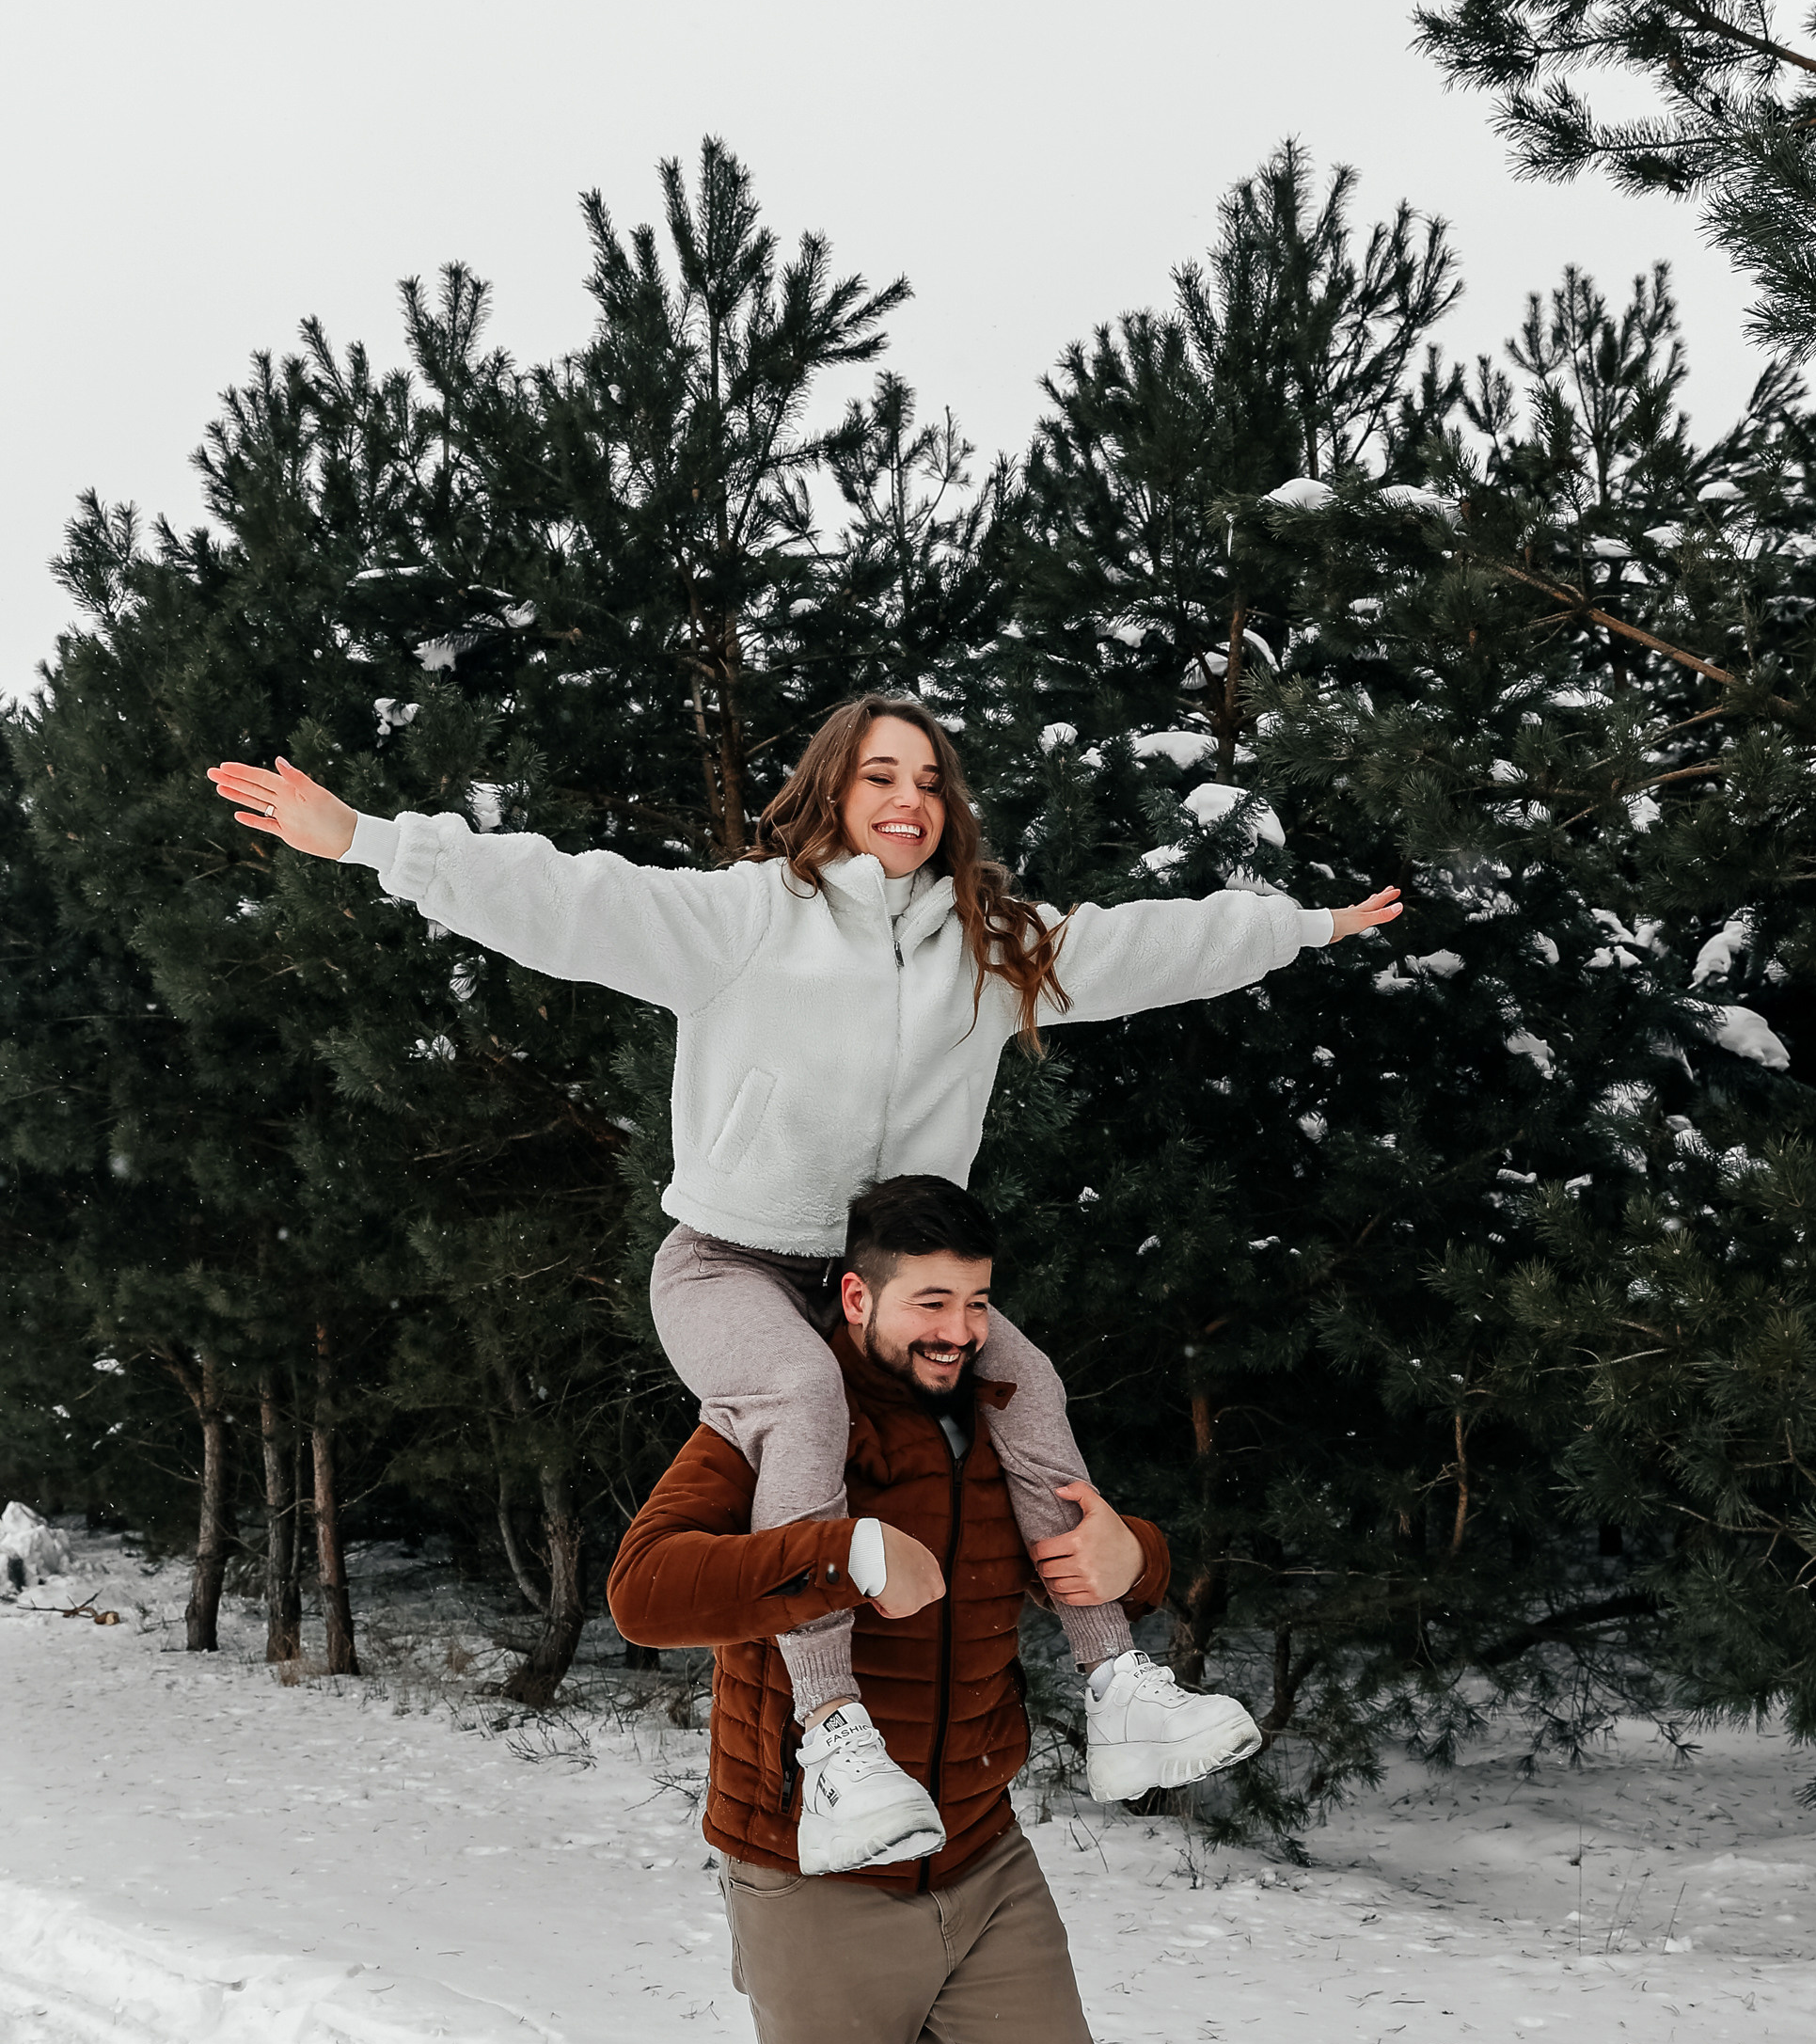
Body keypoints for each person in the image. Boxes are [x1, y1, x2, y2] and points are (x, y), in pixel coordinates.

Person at [207, 694, 1400, 1869]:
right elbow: (568, 898)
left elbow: (1141, 945)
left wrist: (1303, 927)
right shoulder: (745, 919)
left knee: (1020, 1378)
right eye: (881, 775)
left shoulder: (987, 947)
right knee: (801, 1394)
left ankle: (1120, 1690)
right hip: (730, 1260)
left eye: (930, 782)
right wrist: (371, 840)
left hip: (887, 1280)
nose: (909, 800)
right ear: (832, 788)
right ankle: (833, 1739)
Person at [608, 1171, 1197, 2044]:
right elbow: (647, 1591)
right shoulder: (764, 1414)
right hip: (812, 1874)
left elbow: (1099, 1557)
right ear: (856, 1297)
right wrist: (835, 1553)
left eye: (979, 1300)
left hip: (981, 1854)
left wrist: (1145, 1559)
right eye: (931, 1302)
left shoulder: (1000, 1407)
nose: (960, 1329)